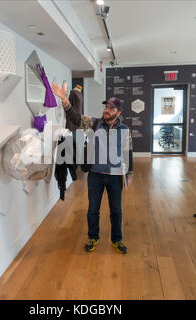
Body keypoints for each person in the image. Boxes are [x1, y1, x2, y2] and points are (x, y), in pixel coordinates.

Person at [52, 83, 133, 254]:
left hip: (115, 176)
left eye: (111, 108)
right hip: (95, 175)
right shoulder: (94, 123)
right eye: (106, 107)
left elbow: (128, 152)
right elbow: (75, 118)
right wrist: (65, 99)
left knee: (116, 211)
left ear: (118, 112)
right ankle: (93, 237)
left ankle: (117, 240)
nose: (107, 110)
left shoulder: (125, 130)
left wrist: (129, 173)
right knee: (93, 210)